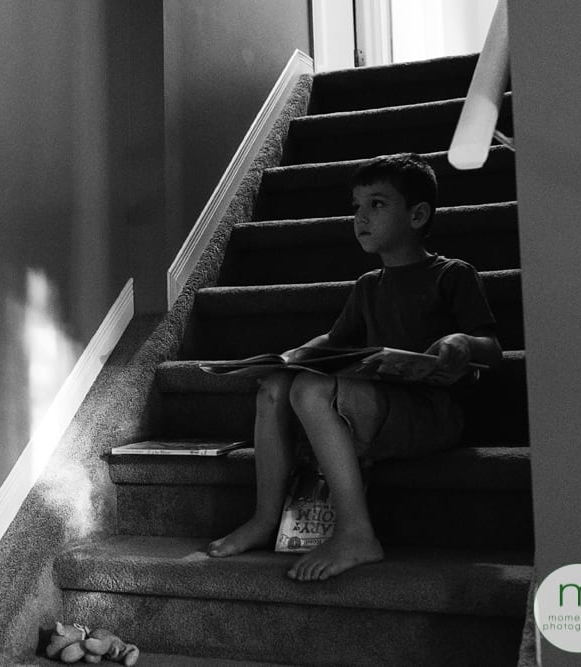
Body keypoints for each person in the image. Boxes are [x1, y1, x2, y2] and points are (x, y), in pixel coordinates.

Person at [207, 153, 502, 581]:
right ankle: (265, 517)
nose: (361, 217)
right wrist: (287, 358)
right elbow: (334, 342)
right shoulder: (368, 285)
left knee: (310, 392)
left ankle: (356, 532)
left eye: (377, 205)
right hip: (382, 408)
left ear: (418, 215)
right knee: (276, 385)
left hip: (434, 415)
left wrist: (461, 342)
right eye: (356, 207)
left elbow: (492, 346)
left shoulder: (453, 274)